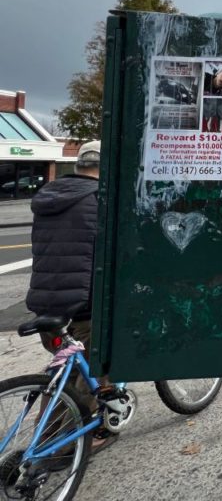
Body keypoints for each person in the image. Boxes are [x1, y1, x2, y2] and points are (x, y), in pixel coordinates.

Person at [26, 140, 115, 450]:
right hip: (84, 305)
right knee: (96, 368)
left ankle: (48, 433)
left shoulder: (48, 197)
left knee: (66, 373)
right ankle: (65, 448)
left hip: (46, 304)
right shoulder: (100, 200)